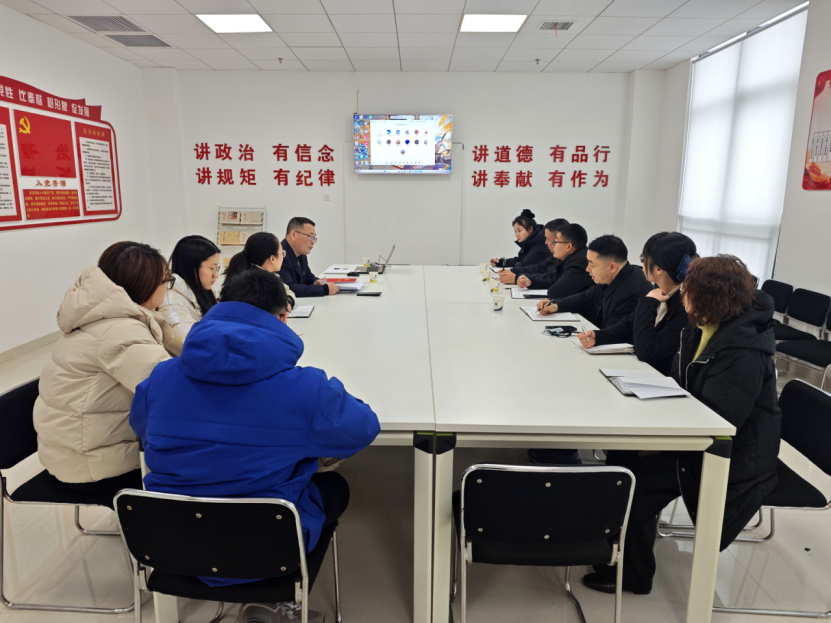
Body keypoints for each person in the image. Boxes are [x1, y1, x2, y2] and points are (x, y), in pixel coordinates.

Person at [130, 269, 380, 598]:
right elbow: (363, 428)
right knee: (335, 487)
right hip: (267, 548)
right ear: (284, 316)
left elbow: (142, 427)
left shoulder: (160, 377)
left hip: (171, 542)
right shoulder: (306, 388)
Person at [582, 255, 781, 596]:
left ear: (709, 298)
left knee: (633, 482)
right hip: (701, 436)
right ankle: (618, 549)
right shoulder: (705, 327)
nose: (682, 295)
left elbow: (716, 423)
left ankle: (633, 576)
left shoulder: (742, 349)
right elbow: (684, 386)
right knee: (622, 457)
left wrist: (656, 445)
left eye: (689, 290)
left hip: (731, 456)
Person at [33, 242, 173, 492]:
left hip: (72, 450)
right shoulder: (120, 331)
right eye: (167, 281)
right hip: (89, 462)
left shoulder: (98, 318)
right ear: (147, 285)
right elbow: (172, 390)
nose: (167, 287)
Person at [530, 235, 651, 465]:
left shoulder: (634, 289)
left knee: (562, 379)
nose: (587, 269)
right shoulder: (613, 279)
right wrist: (556, 304)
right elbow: (585, 297)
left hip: (623, 366)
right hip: (603, 354)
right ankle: (559, 444)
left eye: (592, 264)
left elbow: (619, 332)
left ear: (612, 266)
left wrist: (597, 336)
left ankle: (563, 448)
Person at [576, 232, 697, 374]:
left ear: (658, 269)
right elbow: (629, 325)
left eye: (643, 259)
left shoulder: (685, 307)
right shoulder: (660, 292)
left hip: (660, 378)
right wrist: (598, 336)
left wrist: (648, 303)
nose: (642, 264)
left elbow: (647, 351)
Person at [157, 235, 220, 356]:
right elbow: (190, 343)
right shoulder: (170, 300)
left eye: (217, 268)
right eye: (212, 268)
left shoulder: (200, 292)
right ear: (192, 267)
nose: (216, 275)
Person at [517, 223, 593, 299]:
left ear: (568, 246)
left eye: (555, 242)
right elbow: (555, 280)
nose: (553, 246)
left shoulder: (578, 263)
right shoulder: (572, 258)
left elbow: (555, 292)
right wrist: (531, 282)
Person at [222, 231, 296, 306]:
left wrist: (288, 302)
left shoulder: (246, 273)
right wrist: (285, 304)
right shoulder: (261, 282)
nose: (283, 257)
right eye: (282, 253)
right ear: (272, 259)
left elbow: (288, 291)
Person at [280, 217, 338, 298]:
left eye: (314, 238)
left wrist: (315, 281)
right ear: (293, 235)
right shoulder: (280, 255)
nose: (313, 241)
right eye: (310, 237)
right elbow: (289, 289)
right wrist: (324, 289)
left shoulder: (301, 253)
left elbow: (307, 275)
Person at [498, 218, 568, 285]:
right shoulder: (554, 256)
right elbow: (538, 268)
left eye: (519, 231)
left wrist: (517, 278)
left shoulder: (540, 247)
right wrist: (511, 271)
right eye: (515, 231)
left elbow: (552, 279)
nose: (546, 242)